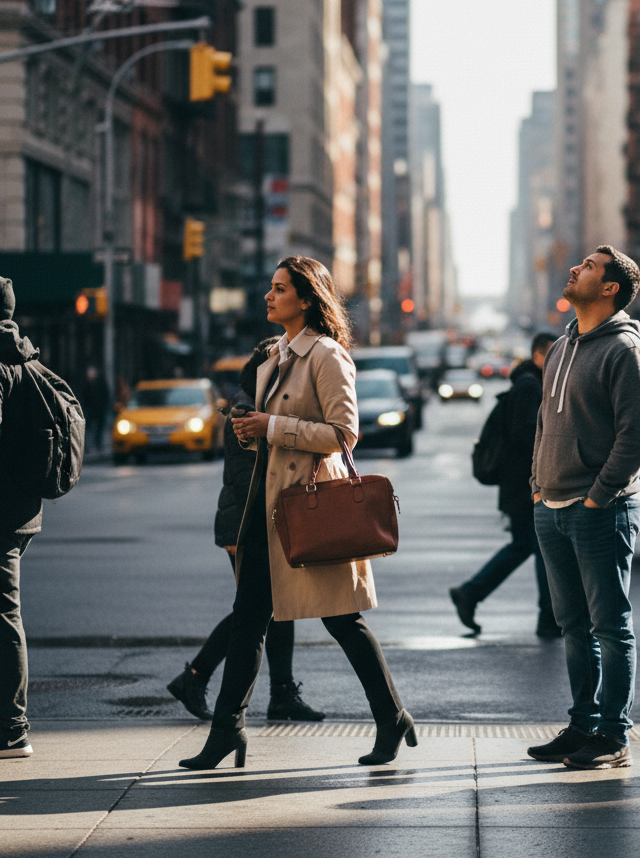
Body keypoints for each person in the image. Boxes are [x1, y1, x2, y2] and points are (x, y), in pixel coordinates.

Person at [180, 256, 415, 770]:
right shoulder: (276, 356)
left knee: (342, 620)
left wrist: (272, 425)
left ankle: (391, 716)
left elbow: (344, 435)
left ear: (306, 299)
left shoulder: (326, 355)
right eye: (270, 287)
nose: (269, 295)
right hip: (267, 510)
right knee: (247, 621)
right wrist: (250, 428)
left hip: (310, 507)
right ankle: (227, 731)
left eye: (279, 288)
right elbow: (273, 428)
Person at [527, 246, 640, 771]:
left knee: (610, 626)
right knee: (573, 625)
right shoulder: (561, 346)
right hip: (551, 506)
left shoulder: (626, 350)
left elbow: (638, 437)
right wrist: (537, 486)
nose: (575, 268)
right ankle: (583, 724)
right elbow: (543, 424)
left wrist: (600, 494)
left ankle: (613, 734)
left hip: (601, 508)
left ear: (609, 289)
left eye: (589, 266)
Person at [167, 337, 325, 723]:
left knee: (274, 609)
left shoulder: (259, 406)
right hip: (246, 526)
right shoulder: (248, 410)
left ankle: (281, 693)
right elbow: (245, 481)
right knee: (255, 611)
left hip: (261, 524)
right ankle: (197, 677)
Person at [449, 332, 560, 638]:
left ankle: (470, 593)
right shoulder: (529, 386)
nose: (556, 361)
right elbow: (527, 438)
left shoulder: (531, 383)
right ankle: (548, 618)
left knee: (524, 546)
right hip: (526, 485)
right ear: (538, 355)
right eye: (551, 354)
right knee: (542, 549)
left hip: (523, 484)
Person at [0, 278, 42, 759]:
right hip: (20, 511)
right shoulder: (24, 359)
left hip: (2, 513)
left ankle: (12, 730)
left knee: (5, 616)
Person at [78, 366, 110, 454]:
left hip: (99, 409)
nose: (91, 376)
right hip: (90, 410)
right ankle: (87, 446)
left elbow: (105, 395)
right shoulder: (86, 384)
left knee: (99, 428)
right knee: (88, 428)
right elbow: (84, 397)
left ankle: (97, 445)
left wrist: (104, 406)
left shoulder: (100, 383)